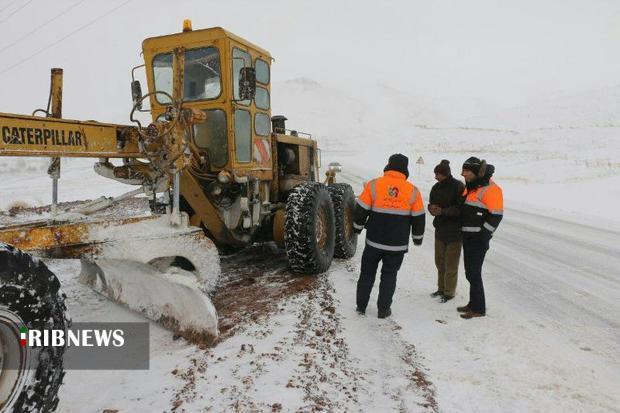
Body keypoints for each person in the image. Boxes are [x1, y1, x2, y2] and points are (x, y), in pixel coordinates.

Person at [353, 153, 425, 318]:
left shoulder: (374, 185)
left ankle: (361, 306)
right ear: (405, 169)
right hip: (397, 245)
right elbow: (419, 217)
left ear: (388, 165)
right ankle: (383, 310)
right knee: (389, 275)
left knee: (367, 273)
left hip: (374, 242)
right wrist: (417, 239)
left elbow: (361, 210)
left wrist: (357, 228)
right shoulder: (413, 191)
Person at [458, 157, 503, 319]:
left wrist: (483, 236)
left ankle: (479, 309)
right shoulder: (472, 187)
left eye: (467, 171)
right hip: (468, 236)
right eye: (463, 171)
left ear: (476, 172)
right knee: (470, 272)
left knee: (474, 273)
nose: (463, 174)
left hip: (477, 239)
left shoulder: (491, 189)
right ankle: (473, 303)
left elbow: (496, 216)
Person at [428, 160, 465, 303]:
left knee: (451, 264)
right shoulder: (435, 188)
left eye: (437, 174)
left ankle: (449, 292)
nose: (435, 177)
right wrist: (432, 209)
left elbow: (460, 209)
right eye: (435, 174)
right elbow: (432, 203)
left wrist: (442, 211)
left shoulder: (458, 186)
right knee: (440, 262)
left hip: (455, 232)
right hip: (440, 230)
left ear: (445, 174)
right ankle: (441, 288)